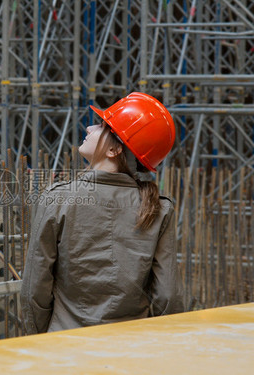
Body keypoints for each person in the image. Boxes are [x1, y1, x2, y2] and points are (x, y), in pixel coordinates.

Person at [20, 92, 184, 334]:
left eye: (102, 126)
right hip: (132, 347)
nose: (89, 127)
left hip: (65, 345)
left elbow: (35, 289)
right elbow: (167, 297)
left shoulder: (59, 198)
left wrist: (41, 339)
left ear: (114, 150)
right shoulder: (159, 209)